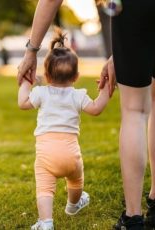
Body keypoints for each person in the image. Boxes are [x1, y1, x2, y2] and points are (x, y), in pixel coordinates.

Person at [17, 0, 155, 229]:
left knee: (134, 109)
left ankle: (133, 217)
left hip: (137, 7)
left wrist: (31, 50)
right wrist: (121, 55)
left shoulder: (43, 92)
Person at [18, 28, 110, 230]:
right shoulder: (78, 95)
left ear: (47, 75)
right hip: (71, 155)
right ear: (76, 76)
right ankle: (73, 205)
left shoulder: (41, 93)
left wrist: (26, 80)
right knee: (76, 182)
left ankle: (46, 222)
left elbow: (23, 102)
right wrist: (105, 90)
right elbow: (95, 109)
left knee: (44, 189)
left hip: (46, 155)